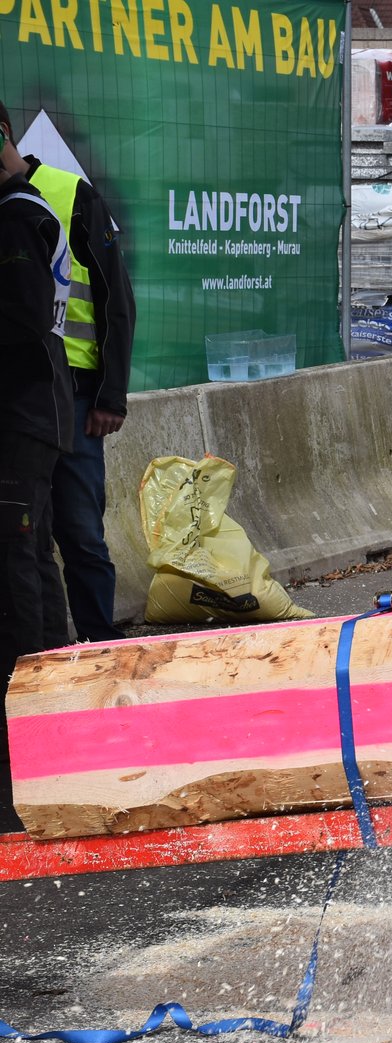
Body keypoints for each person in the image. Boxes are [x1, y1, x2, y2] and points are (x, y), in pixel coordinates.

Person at [1, 101, 136, 644]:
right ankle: (57, 649)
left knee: (79, 533)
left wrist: (111, 395)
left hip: (76, 393)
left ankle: (99, 642)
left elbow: (115, 298)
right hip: (27, 393)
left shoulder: (67, 193)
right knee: (30, 535)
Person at [0, 121, 72, 834]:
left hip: (23, 414)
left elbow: (21, 321)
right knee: (35, 559)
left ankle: (28, 716)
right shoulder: (28, 209)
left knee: (16, 562)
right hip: (36, 412)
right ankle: (53, 705)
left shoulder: (17, 218)